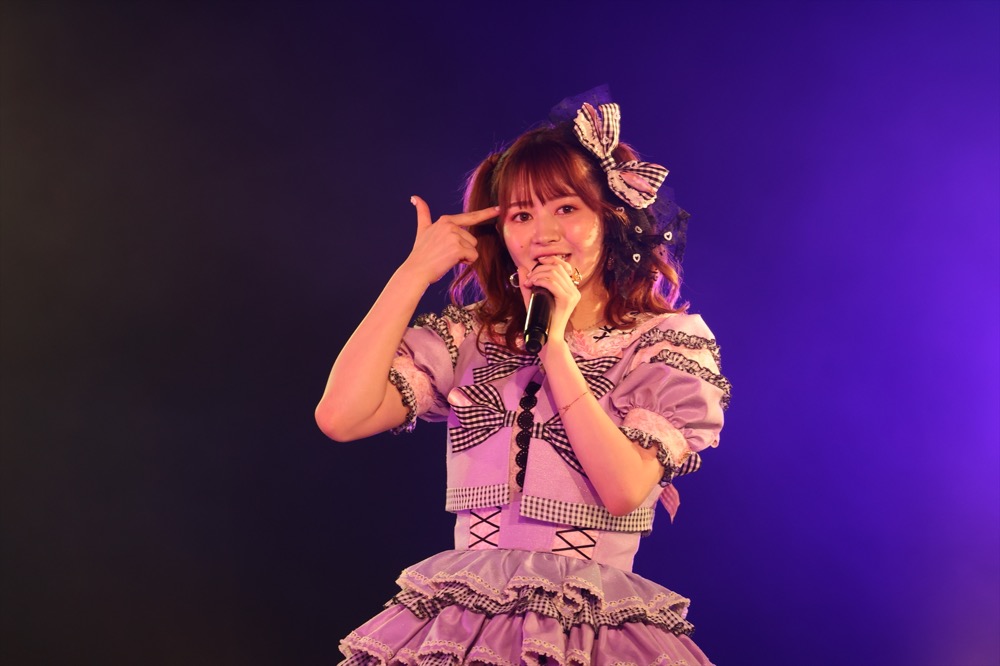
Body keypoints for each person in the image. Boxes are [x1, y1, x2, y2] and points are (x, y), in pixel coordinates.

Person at [315, 89, 731, 665]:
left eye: (567, 208)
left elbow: (623, 489)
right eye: (521, 215)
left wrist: (554, 345)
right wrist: (412, 275)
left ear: (610, 218)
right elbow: (341, 416)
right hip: (461, 629)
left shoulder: (662, 343)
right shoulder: (472, 336)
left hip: (590, 631)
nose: (543, 233)